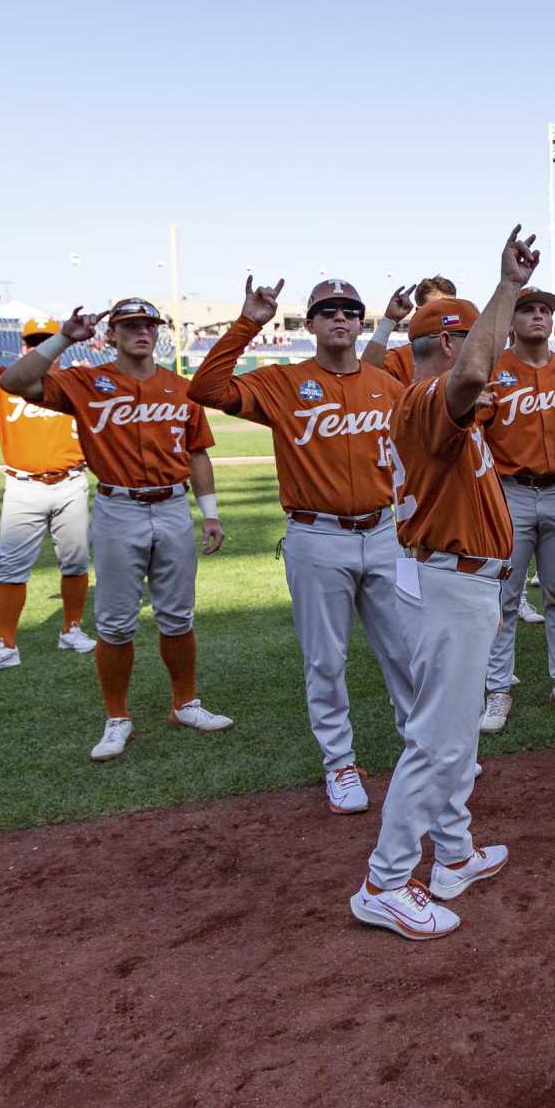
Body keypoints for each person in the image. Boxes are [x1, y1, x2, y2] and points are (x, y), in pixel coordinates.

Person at [351, 227, 534, 941]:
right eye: (477, 338)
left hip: (454, 579)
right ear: (451, 343)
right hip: (448, 581)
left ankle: (452, 854)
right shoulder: (431, 398)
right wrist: (508, 286)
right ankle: (386, 879)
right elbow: (469, 377)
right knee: (437, 739)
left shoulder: (429, 403)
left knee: (455, 736)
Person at [189, 276, 413, 815]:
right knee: (326, 660)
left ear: (361, 323)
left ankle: (423, 746)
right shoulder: (284, 381)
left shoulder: (387, 385)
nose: (340, 317)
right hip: (316, 535)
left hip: (384, 531)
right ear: (310, 323)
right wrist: (248, 322)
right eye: (328, 310)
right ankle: (339, 763)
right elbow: (206, 390)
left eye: (350, 310)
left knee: (406, 650)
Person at [0, 297, 231, 761]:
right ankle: (117, 717)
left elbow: (197, 452)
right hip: (118, 506)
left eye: (149, 324)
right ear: (112, 334)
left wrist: (211, 512)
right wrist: (65, 336)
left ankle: (185, 703)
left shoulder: (181, 388)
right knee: (116, 622)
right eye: (130, 325)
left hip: (171, 505)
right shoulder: (86, 381)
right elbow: (14, 381)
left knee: (178, 614)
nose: (141, 332)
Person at [0, 297, 94, 674]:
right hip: (23, 485)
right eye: (34, 341)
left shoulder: (74, 385)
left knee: (75, 562)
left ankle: (72, 629)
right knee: (12, 568)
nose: (40, 347)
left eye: (49, 339)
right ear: (23, 346)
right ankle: (4, 644)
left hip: (71, 482)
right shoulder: (2, 380)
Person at [479, 286, 555, 729]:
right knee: (503, 598)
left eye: (545, 309)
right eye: (527, 309)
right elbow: (471, 434)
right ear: (511, 320)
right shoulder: (494, 370)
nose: (538, 316)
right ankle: (498, 688)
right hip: (511, 491)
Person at [360, 275, 458, 383]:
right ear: (419, 312)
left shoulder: (465, 351)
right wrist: (389, 320)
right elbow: (367, 376)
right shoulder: (402, 358)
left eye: (452, 308)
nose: (445, 315)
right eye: (437, 309)